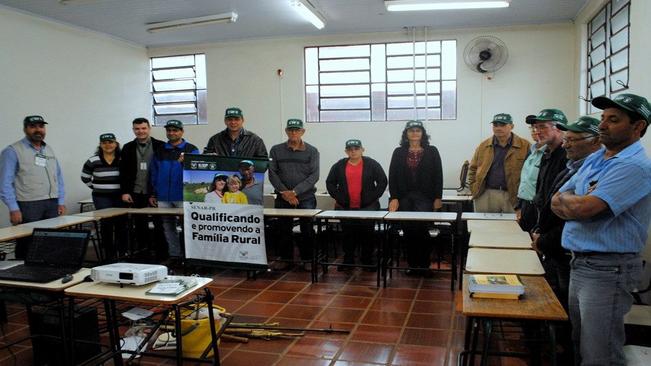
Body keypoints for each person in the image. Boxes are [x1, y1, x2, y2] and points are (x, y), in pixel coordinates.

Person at [551, 93, 651, 366]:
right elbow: (556, 199)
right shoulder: (599, 158)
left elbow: (584, 209)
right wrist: (577, 201)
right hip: (581, 263)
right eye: (603, 119)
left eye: (614, 120)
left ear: (638, 126)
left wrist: (576, 202)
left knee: (600, 355)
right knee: (580, 343)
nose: (603, 126)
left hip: (608, 269)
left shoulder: (635, 166)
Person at [533, 116, 600, 310]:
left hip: (570, 246)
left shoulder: (598, 168)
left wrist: (545, 239)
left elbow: (578, 210)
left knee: (566, 305)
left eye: (572, 140)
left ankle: (561, 338)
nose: (565, 145)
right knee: (561, 297)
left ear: (595, 141)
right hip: (556, 242)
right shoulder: (575, 167)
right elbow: (553, 202)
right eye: (566, 139)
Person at [0, 115, 65, 259]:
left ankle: (46, 272)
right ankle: (24, 273)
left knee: (50, 241)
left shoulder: (48, 149)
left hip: (51, 202)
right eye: (33, 126)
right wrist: (13, 208)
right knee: (28, 243)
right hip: (28, 204)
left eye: (41, 126)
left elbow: (58, 176)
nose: (38, 130)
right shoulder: (12, 151)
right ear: (25, 129)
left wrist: (60, 201)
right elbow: (4, 182)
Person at [388, 120, 443, 276]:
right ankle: (412, 265)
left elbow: (438, 175)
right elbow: (392, 176)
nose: (414, 133)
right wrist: (394, 197)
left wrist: (438, 197)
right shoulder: (398, 152)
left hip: (425, 197)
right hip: (405, 197)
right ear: (406, 134)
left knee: (422, 230)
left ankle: (424, 266)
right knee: (408, 230)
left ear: (423, 134)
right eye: (411, 130)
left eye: (418, 130)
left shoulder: (432, 151)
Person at [326, 139, 387, 270]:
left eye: (356, 149)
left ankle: (367, 261)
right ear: (346, 151)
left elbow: (382, 181)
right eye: (350, 149)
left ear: (362, 150)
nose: (353, 151)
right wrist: (339, 197)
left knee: (367, 235)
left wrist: (372, 197)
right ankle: (348, 261)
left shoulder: (372, 164)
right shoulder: (339, 165)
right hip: (345, 207)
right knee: (348, 235)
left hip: (368, 207)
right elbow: (330, 183)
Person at [268, 118, 319, 270]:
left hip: (306, 197)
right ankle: (286, 259)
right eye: (290, 130)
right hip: (283, 197)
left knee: (307, 229)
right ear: (286, 131)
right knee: (283, 229)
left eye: (297, 130)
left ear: (303, 131)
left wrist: (295, 192)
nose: (293, 132)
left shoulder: (312, 151)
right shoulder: (276, 150)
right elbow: (272, 173)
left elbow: (314, 176)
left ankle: (308, 260)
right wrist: (286, 193)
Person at [149, 120, 199, 259]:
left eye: (175, 130)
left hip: (183, 195)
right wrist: (154, 193)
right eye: (169, 130)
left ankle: (190, 256)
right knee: (168, 227)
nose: (172, 133)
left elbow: (196, 173)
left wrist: (185, 163)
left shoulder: (191, 149)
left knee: (188, 227)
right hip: (163, 196)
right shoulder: (160, 150)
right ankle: (175, 256)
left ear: (182, 131)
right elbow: (154, 172)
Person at [119, 117, 165, 258]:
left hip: (154, 192)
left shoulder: (160, 146)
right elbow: (124, 172)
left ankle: (161, 254)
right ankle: (143, 253)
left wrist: (158, 192)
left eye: (143, 128)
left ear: (149, 128)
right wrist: (125, 192)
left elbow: (163, 170)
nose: (141, 131)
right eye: (137, 129)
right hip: (136, 192)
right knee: (140, 224)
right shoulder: (127, 147)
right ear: (133, 130)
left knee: (159, 224)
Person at [467, 113, 531, 212]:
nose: (498, 128)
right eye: (495, 125)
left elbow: (531, 172)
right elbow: (473, 168)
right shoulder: (483, 146)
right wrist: (473, 187)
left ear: (512, 126)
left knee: (512, 226)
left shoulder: (525, 146)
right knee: (484, 226)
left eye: (502, 125)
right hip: (485, 194)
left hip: (513, 195)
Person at [80, 133, 125, 260]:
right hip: (101, 198)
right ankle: (108, 254)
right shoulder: (93, 160)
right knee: (106, 224)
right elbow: (85, 177)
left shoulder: (122, 158)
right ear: (100, 145)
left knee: (121, 224)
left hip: (120, 197)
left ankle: (122, 253)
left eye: (110, 142)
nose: (108, 145)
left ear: (116, 144)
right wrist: (96, 187)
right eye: (104, 143)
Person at [530, 109, 567, 216]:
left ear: (559, 128)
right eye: (536, 127)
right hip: (542, 218)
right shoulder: (546, 153)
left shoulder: (568, 156)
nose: (537, 131)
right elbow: (541, 190)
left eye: (542, 127)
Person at [515, 115, 546, 232]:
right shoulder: (532, 150)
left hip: (539, 208)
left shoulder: (551, 153)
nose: (535, 131)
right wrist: (519, 206)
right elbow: (526, 180)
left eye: (540, 127)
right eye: (532, 127)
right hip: (526, 205)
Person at [203, 107, 267, 158]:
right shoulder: (215, 140)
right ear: (225, 121)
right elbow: (207, 161)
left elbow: (263, 163)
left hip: (246, 174)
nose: (233, 122)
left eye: (237, 119)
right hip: (222, 174)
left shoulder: (255, 140)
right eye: (230, 119)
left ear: (243, 120)